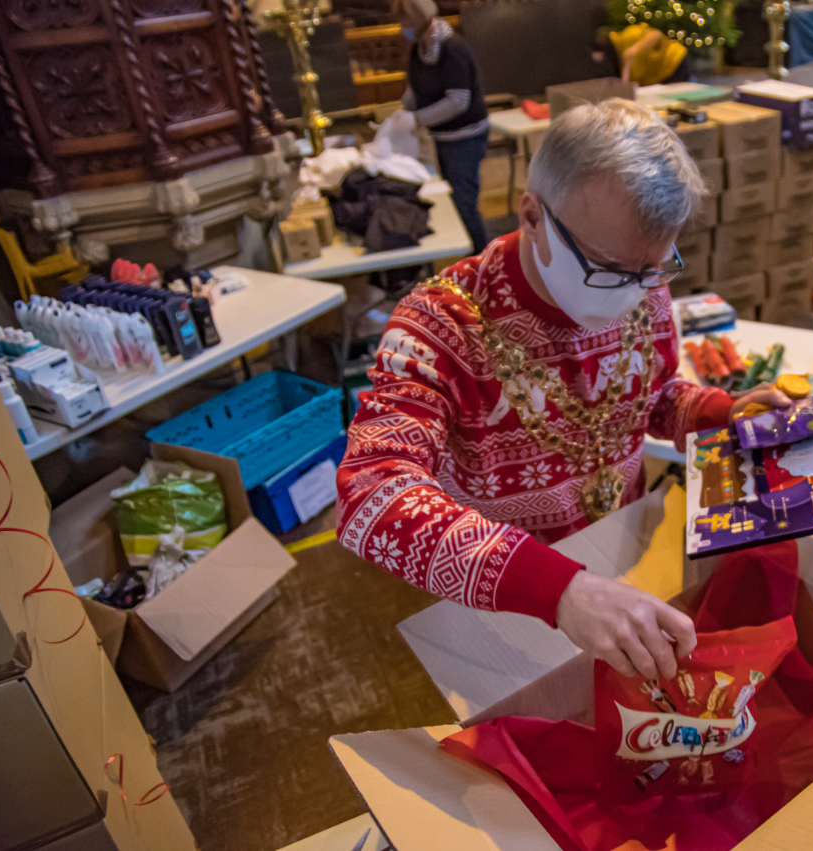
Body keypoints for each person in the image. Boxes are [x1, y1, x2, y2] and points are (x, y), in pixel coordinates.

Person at [337, 100, 789, 680]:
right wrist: (559, 591)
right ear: (532, 216)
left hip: (620, 555)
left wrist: (719, 413)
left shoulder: (638, 281)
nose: (633, 292)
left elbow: (649, 400)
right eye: (607, 269)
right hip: (507, 596)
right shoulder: (438, 327)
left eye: (654, 269)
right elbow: (372, 498)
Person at [395, 0, 489, 253]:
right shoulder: (419, 50)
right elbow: (414, 89)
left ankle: (483, 261)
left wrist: (415, 120)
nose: (402, 27)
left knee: (463, 203)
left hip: (466, 137)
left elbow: (458, 101)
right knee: (451, 201)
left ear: (417, 20)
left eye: (405, 21)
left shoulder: (452, 49)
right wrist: (399, 114)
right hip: (442, 137)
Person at [608, 23, 691, 86]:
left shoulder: (629, 36)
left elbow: (656, 34)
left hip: (674, 60)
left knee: (677, 101)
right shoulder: (622, 56)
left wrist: (636, 48)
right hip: (665, 68)